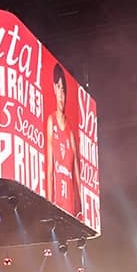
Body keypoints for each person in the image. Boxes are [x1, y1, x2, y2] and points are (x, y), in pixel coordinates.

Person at [46, 63, 80, 217]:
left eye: (64, 90)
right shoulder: (51, 121)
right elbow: (50, 169)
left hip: (70, 205)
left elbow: (77, 177)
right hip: (58, 202)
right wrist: (48, 206)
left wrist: (82, 211)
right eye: (58, 87)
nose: (61, 94)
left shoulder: (70, 133)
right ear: (54, 88)